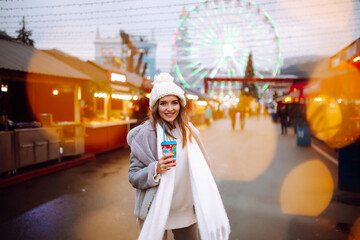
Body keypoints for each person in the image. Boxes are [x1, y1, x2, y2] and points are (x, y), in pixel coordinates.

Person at [127, 73, 230, 240]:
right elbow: (134, 177)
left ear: (181, 105)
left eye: (174, 102)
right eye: (163, 103)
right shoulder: (144, 135)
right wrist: (156, 169)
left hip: (186, 210)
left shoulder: (189, 132)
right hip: (156, 210)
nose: (170, 108)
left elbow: (202, 168)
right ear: (155, 107)